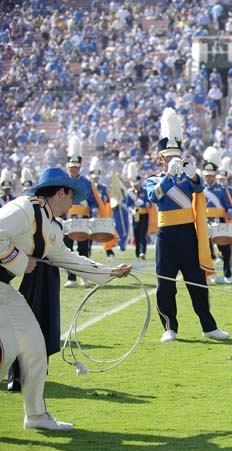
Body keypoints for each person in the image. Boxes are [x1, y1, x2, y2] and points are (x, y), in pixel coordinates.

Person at [0, 167, 132, 429]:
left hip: (3, 287)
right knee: (8, 348)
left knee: (35, 348)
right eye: (71, 197)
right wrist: (19, 260)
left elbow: (68, 258)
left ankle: (36, 416)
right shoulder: (24, 208)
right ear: (60, 192)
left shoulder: (51, 225)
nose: (73, 204)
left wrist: (110, 272)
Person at [145, 108, 229, 343]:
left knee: (197, 281)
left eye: (176, 157)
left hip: (187, 234)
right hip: (166, 236)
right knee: (165, 283)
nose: (173, 161)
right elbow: (154, 196)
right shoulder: (153, 178)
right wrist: (167, 177)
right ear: (161, 159)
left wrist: (193, 177)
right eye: (169, 158)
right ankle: (169, 327)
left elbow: (200, 189)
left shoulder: (187, 178)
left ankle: (209, 326)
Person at [62, 134, 99, 287]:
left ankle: (84, 276)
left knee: (83, 249)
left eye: (76, 167)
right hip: (68, 218)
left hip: (83, 218)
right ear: (68, 167)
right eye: (72, 167)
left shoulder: (86, 182)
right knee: (68, 249)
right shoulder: (63, 181)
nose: (74, 170)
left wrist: (94, 212)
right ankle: (71, 278)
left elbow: (92, 201)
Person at [202, 146, 232, 284]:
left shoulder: (221, 189)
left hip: (219, 221)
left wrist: (229, 210)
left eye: (211, 175)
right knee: (208, 251)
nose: (208, 177)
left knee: (225, 249)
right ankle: (210, 274)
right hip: (204, 221)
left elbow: (228, 204)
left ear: (215, 175)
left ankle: (228, 273)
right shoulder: (199, 190)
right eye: (206, 175)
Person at [125, 162, 151, 260]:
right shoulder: (130, 192)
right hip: (135, 214)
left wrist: (143, 203)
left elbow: (149, 203)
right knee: (136, 234)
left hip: (144, 214)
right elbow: (128, 204)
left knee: (143, 234)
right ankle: (137, 253)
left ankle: (142, 252)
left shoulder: (144, 191)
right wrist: (131, 210)